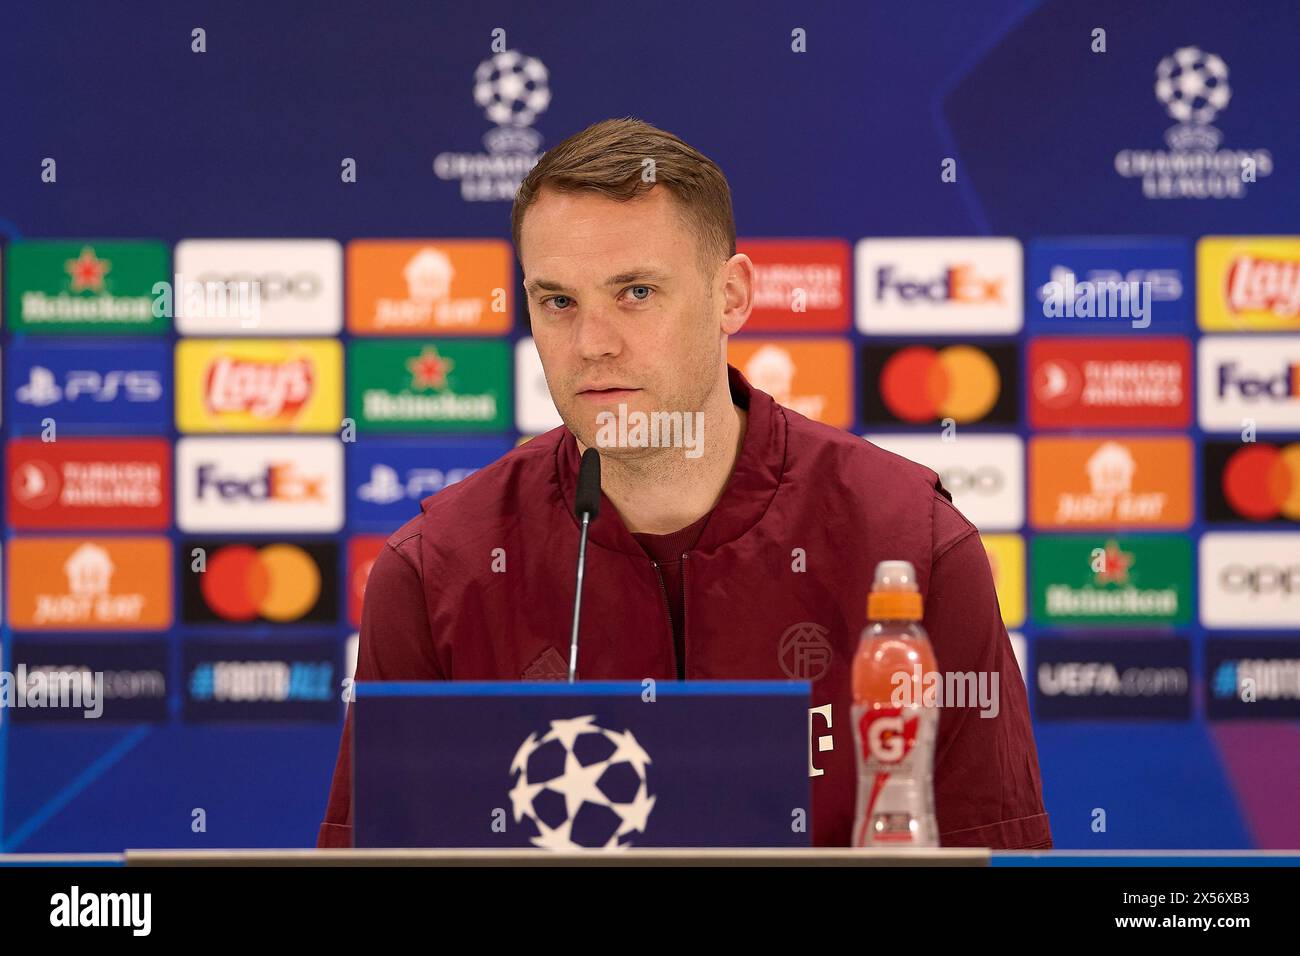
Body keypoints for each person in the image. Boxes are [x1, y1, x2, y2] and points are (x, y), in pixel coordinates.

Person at [318, 117, 1051, 850]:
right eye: (557, 301)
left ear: (731, 296)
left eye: (635, 292)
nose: (592, 344)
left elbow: (995, 855)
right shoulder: (435, 570)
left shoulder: (913, 548)